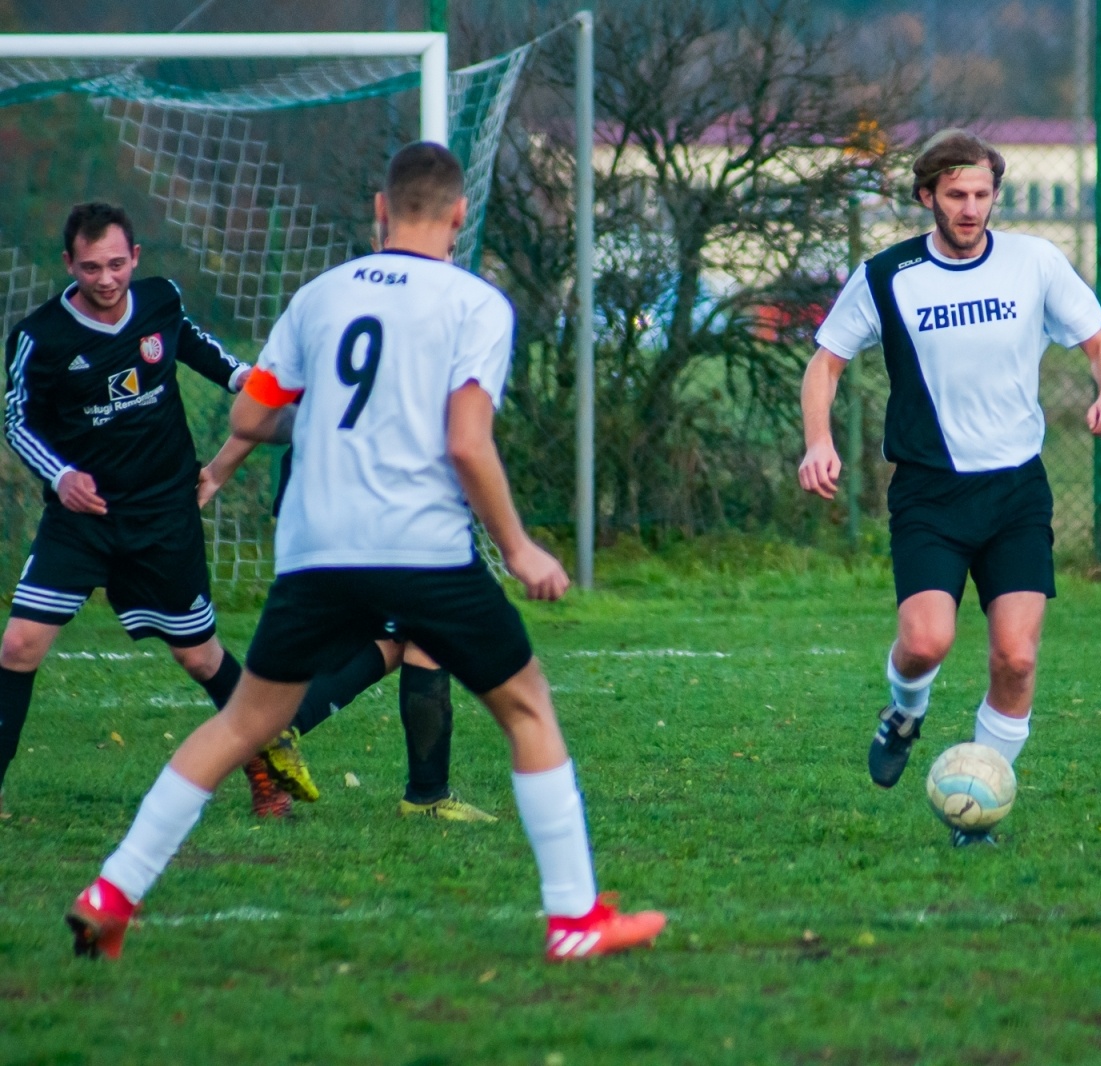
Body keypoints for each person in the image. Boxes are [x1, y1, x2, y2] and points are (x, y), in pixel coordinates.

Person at [67, 142, 665, 962]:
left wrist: (317, 421)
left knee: (245, 724)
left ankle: (112, 892)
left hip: (316, 546)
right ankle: (573, 920)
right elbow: (466, 442)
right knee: (527, 708)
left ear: (379, 214)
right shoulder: (476, 304)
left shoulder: (320, 297)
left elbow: (248, 421)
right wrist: (521, 547)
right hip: (419, 546)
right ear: (459, 216)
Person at [797, 129, 1101, 845]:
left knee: (1016, 657)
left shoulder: (1034, 262)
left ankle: (977, 806)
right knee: (925, 643)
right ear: (927, 197)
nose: (971, 208)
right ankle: (903, 713)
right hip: (929, 492)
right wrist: (818, 442)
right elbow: (824, 363)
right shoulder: (888, 275)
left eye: (982, 194)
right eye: (956, 195)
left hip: (1015, 492)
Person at [0, 202, 256, 814]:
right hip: (81, 520)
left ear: (135, 257)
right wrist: (60, 476)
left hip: (163, 513)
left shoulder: (161, 300)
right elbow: (16, 418)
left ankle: (268, 759)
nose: (107, 278)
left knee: (199, 656)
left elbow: (194, 345)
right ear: (70, 265)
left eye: (117, 264)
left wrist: (243, 375)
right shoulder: (41, 337)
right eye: (91, 268)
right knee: (17, 646)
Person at [203, 441, 495, 823]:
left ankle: (279, 730)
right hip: (372, 489)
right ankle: (427, 795)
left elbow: (255, 414)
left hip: (311, 491)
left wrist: (216, 471)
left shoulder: (303, 380)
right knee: (431, 627)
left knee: (396, 637)